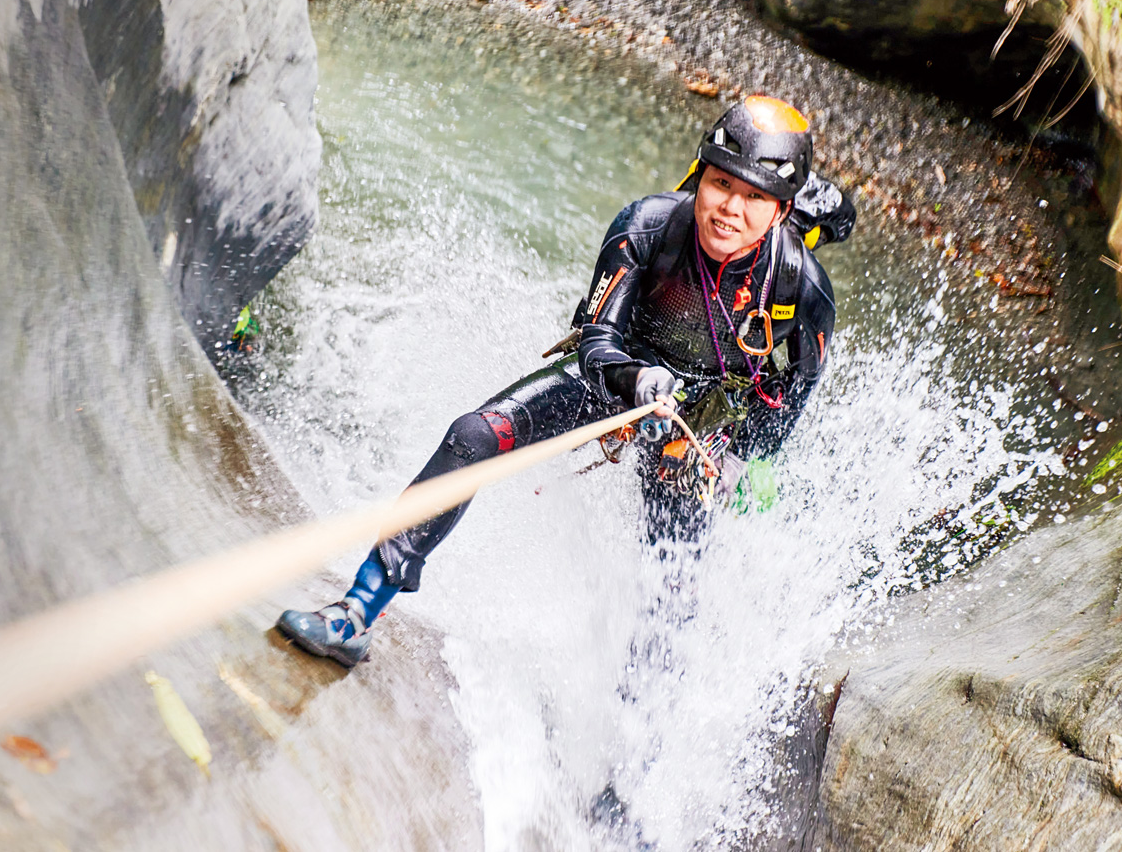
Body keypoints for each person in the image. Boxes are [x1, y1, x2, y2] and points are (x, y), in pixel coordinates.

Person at [278, 96, 847, 667]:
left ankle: (640, 732)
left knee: (672, 586)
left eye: (754, 198)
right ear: (700, 177)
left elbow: (791, 393)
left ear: (780, 210)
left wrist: (742, 457)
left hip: (696, 423)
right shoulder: (647, 226)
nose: (729, 208)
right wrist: (637, 381)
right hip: (619, 373)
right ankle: (356, 612)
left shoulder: (803, 288)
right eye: (721, 184)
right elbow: (598, 344)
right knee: (473, 437)